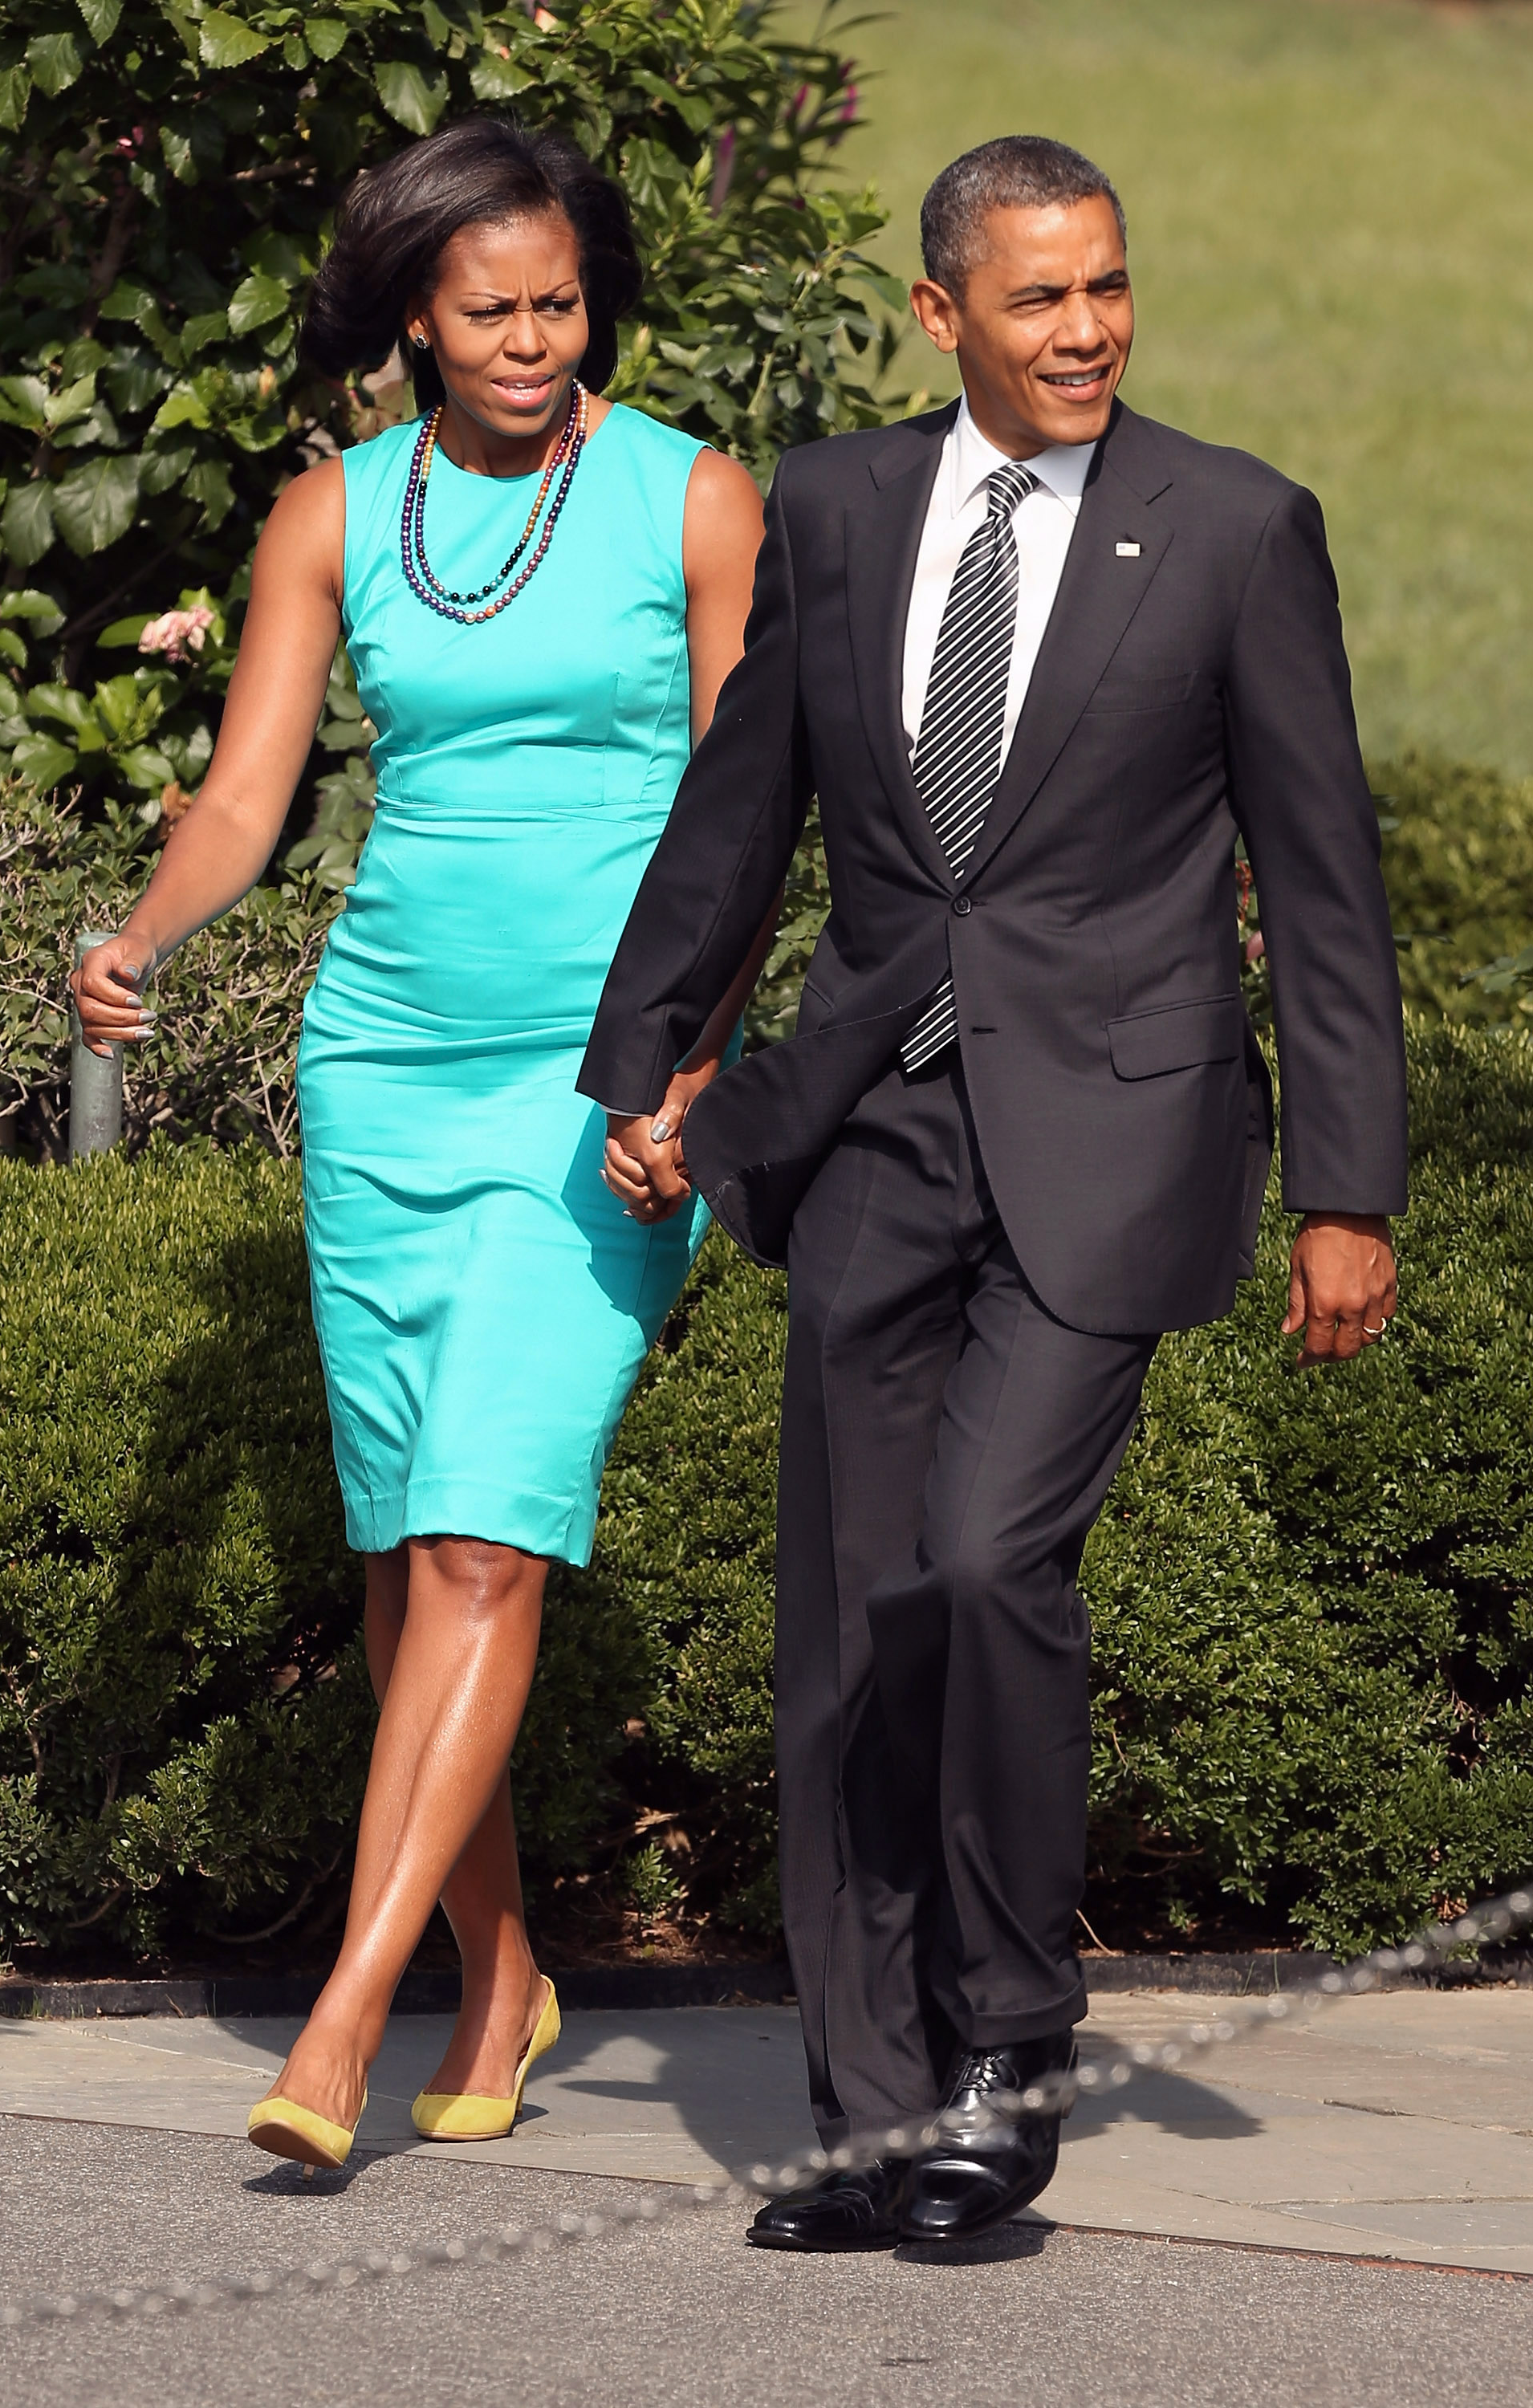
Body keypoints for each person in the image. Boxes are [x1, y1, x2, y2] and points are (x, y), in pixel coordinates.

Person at [582, 136, 1406, 2250]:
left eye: (1110, 289)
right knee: (851, 1639)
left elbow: (1323, 880)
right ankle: (867, 2116)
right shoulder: (847, 508)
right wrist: (655, 1049)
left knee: (977, 1568)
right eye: (1039, 301)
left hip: (1112, 1135)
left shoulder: (1232, 531)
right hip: (874, 1126)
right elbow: (746, 792)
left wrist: (1348, 1184)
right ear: (943, 313)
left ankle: (1003, 2059)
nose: (1087, 332)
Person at [71, 117, 767, 2173]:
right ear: (412, 317)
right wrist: (139, 935)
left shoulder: (692, 501)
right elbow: (244, 800)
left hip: (598, 1082)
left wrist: (690, 1075)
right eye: (491, 310)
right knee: (405, 1558)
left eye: (559, 303)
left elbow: (741, 833)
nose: (532, 340)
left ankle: (343, 2023)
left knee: (483, 1535)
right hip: (380, 1071)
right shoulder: (333, 514)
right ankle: (504, 1965)